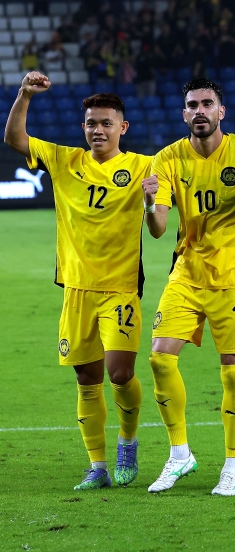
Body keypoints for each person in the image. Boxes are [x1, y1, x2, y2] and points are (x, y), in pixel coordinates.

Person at [4, 74, 151, 490]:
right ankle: (98, 466)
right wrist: (24, 94)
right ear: (83, 127)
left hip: (120, 289)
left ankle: (127, 441)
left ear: (123, 127)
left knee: (120, 373)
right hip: (76, 289)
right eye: (91, 123)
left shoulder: (143, 166)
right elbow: (15, 138)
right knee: (87, 380)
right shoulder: (65, 160)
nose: (97, 130)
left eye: (106, 123)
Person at [143, 78, 235, 497]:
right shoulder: (167, 159)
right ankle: (180, 454)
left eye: (207, 104)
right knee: (161, 360)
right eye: (191, 105)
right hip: (187, 271)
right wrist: (149, 204)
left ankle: (232, 464)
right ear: (184, 114)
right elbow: (159, 228)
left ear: (222, 111)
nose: (199, 111)